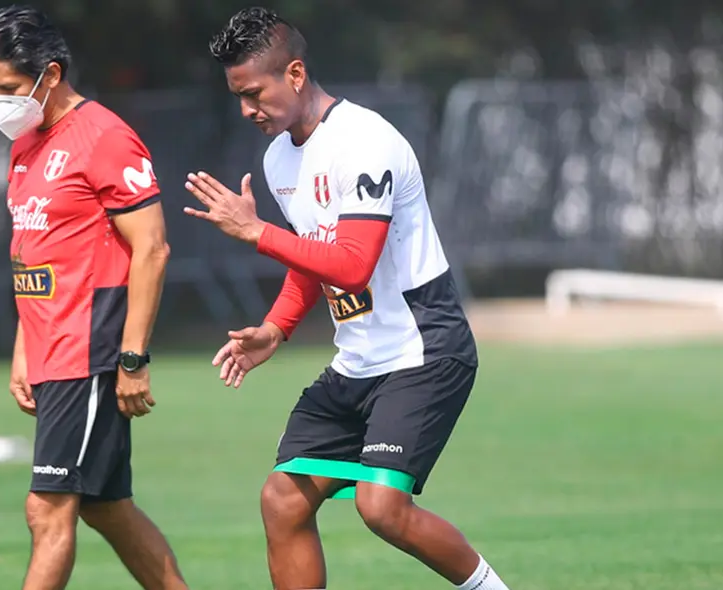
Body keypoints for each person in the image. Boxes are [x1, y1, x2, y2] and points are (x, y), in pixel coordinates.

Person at [185, 7, 511, 590]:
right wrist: (276, 328)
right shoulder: (279, 157)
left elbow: (353, 267)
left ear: (295, 73)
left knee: (380, 507)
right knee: (282, 501)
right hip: (359, 360)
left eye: (254, 93)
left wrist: (258, 231)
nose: (246, 110)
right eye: (237, 96)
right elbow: (312, 258)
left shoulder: (365, 141)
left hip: (423, 351)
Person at [0, 6, 187, 590]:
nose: (0, 102)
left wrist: (133, 359)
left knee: (48, 509)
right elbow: (35, 256)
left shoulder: (105, 137)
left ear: (51, 73)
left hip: (90, 351)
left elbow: (152, 250)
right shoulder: (26, 144)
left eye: (9, 88)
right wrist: (25, 347)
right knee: (105, 506)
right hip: (51, 351)